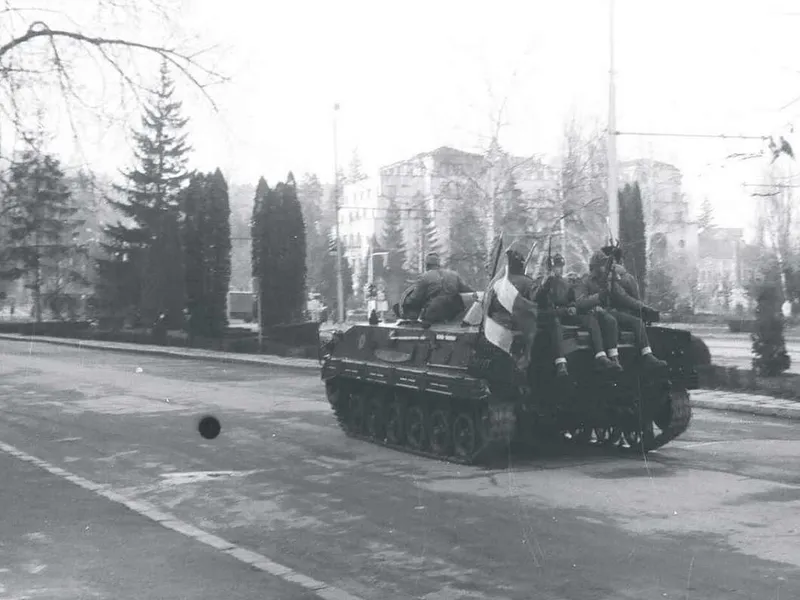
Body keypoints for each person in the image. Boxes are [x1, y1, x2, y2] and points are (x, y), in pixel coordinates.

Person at [574, 250, 667, 372]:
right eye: (602, 264)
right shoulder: (585, 281)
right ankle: (614, 358)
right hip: (593, 313)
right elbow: (580, 302)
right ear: (595, 266)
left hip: (608, 311)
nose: (604, 266)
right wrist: (598, 297)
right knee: (610, 321)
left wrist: (643, 307)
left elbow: (623, 297)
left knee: (636, 322)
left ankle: (647, 354)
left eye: (605, 263)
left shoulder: (608, 280)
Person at [402, 252, 474, 324]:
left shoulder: (425, 277)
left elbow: (415, 298)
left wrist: (406, 304)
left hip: (435, 313)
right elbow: (468, 291)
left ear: (427, 265)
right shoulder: (454, 274)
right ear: (439, 264)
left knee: (411, 304)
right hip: (455, 312)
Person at [533, 253, 571, 377]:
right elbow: (535, 298)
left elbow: (570, 301)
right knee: (554, 322)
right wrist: (545, 284)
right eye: (557, 266)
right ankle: (561, 362)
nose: (559, 269)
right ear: (548, 268)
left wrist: (571, 308)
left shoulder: (565, 283)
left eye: (561, 266)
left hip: (560, 314)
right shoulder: (539, 280)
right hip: (543, 315)